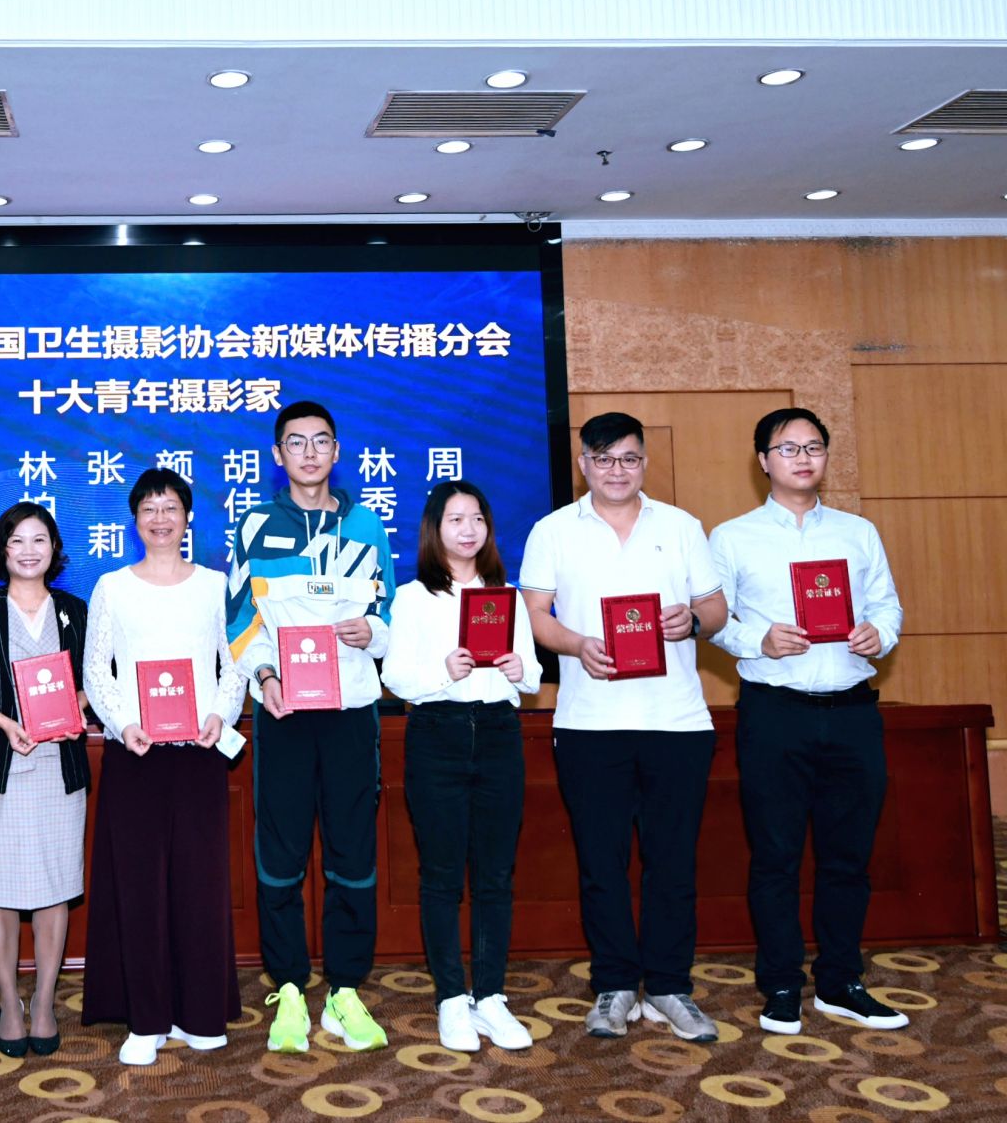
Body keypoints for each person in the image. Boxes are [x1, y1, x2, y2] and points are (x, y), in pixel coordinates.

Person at [519, 412, 729, 1043]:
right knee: (601, 863)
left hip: (678, 723)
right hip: (590, 724)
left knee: (673, 862)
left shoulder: (681, 526)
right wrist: (577, 644)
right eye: (605, 459)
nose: (618, 470)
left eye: (630, 459)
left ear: (644, 463)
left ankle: (669, 985)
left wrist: (692, 621)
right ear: (583, 463)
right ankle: (613, 985)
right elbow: (535, 615)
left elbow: (717, 607)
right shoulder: (553, 530)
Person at [709, 407, 908, 1035]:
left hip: (851, 712)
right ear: (763, 460)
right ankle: (781, 984)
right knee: (776, 856)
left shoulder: (857, 532)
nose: (803, 457)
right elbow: (713, 621)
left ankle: (842, 982)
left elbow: (888, 605)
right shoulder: (732, 537)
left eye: (813, 446)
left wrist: (880, 633)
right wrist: (758, 640)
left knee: (849, 856)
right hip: (776, 714)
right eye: (788, 448)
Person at [224, 399, 395, 1053]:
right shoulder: (255, 525)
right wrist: (265, 677)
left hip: (351, 711)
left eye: (321, 441)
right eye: (296, 443)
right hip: (285, 713)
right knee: (281, 853)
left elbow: (389, 609)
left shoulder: (366, 525)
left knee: (352, 852)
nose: (310, 453)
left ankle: (346, 989)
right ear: (278, 454)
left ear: (336, 450)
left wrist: (372, 630)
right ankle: (289, 989)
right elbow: (239, 618)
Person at [81, 468, 246, 1067]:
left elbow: (235, 662)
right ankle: (146, 1019)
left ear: (187, 517)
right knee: (140, 886)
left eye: (170, 507)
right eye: (149, 508)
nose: (160, 518)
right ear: (134, 520)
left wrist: (221, 716)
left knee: (200, 884)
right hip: (137, 753)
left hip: (199, 752)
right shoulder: (112, 587)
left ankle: (199, 1012)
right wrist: (126, 723)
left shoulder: (215, 585)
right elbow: (96, 669)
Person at [382, 480, 541, 1053]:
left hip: (498, 734)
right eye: (455, 519)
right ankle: (451, 997)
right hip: (437, 735)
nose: (468, 529)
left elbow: (531, 679)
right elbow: (394, 678)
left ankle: (490, 996)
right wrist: (443, 671)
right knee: (442, 875)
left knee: (496, 874)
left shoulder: (506, 595)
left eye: (477, 518)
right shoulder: (412, 597)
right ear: (435, 529)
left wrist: (521, 668)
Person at [0, 502, 90, 1058]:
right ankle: (8, 1000)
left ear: (54, 550)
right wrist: (6, 724)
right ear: (2, 550)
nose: (29, 551)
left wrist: (73, 709)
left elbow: (98, 678)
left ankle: (44, 1000)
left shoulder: (74, 610)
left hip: (58, 766)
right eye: (17, 540)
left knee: (54, 887)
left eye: (39, 540)